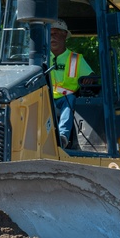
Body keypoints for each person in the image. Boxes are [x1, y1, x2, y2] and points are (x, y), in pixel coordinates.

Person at [49, 19, 93, 148]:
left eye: (56, 33)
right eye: (49, 34)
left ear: (64, 35)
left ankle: (63, 137)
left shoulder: (76, 58)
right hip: (46, 97)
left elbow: (91, 76)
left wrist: (89, 79)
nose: (52, 37)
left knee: (70, 99)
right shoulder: (41, 56)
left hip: (65, 99)